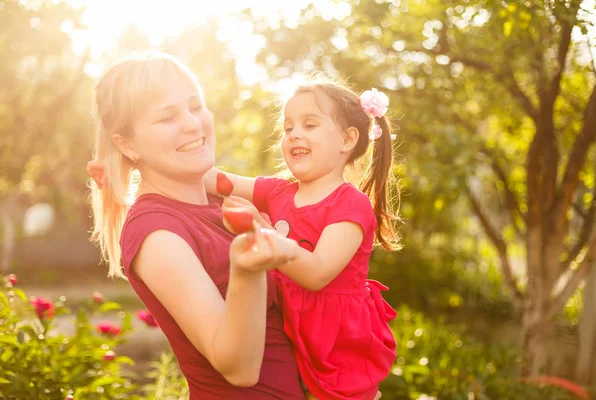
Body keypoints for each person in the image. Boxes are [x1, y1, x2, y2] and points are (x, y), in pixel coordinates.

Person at [88, 52, 307, 400]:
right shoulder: (156, 231)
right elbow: (238, 369)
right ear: (126, 144)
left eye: (195, 106)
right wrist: (247, 272)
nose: (192, 124)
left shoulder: (224, 205)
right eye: (166, 118)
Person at [208, 80, 400, 399]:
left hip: (338, 347)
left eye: (309, 124)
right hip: (288, 334)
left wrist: (264, 233)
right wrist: (149, 158)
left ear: (347, 139)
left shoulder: (350, 205)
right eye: (287, 127)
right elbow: (219, 181)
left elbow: (316, 273)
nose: (294, 133)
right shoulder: (278, 191)